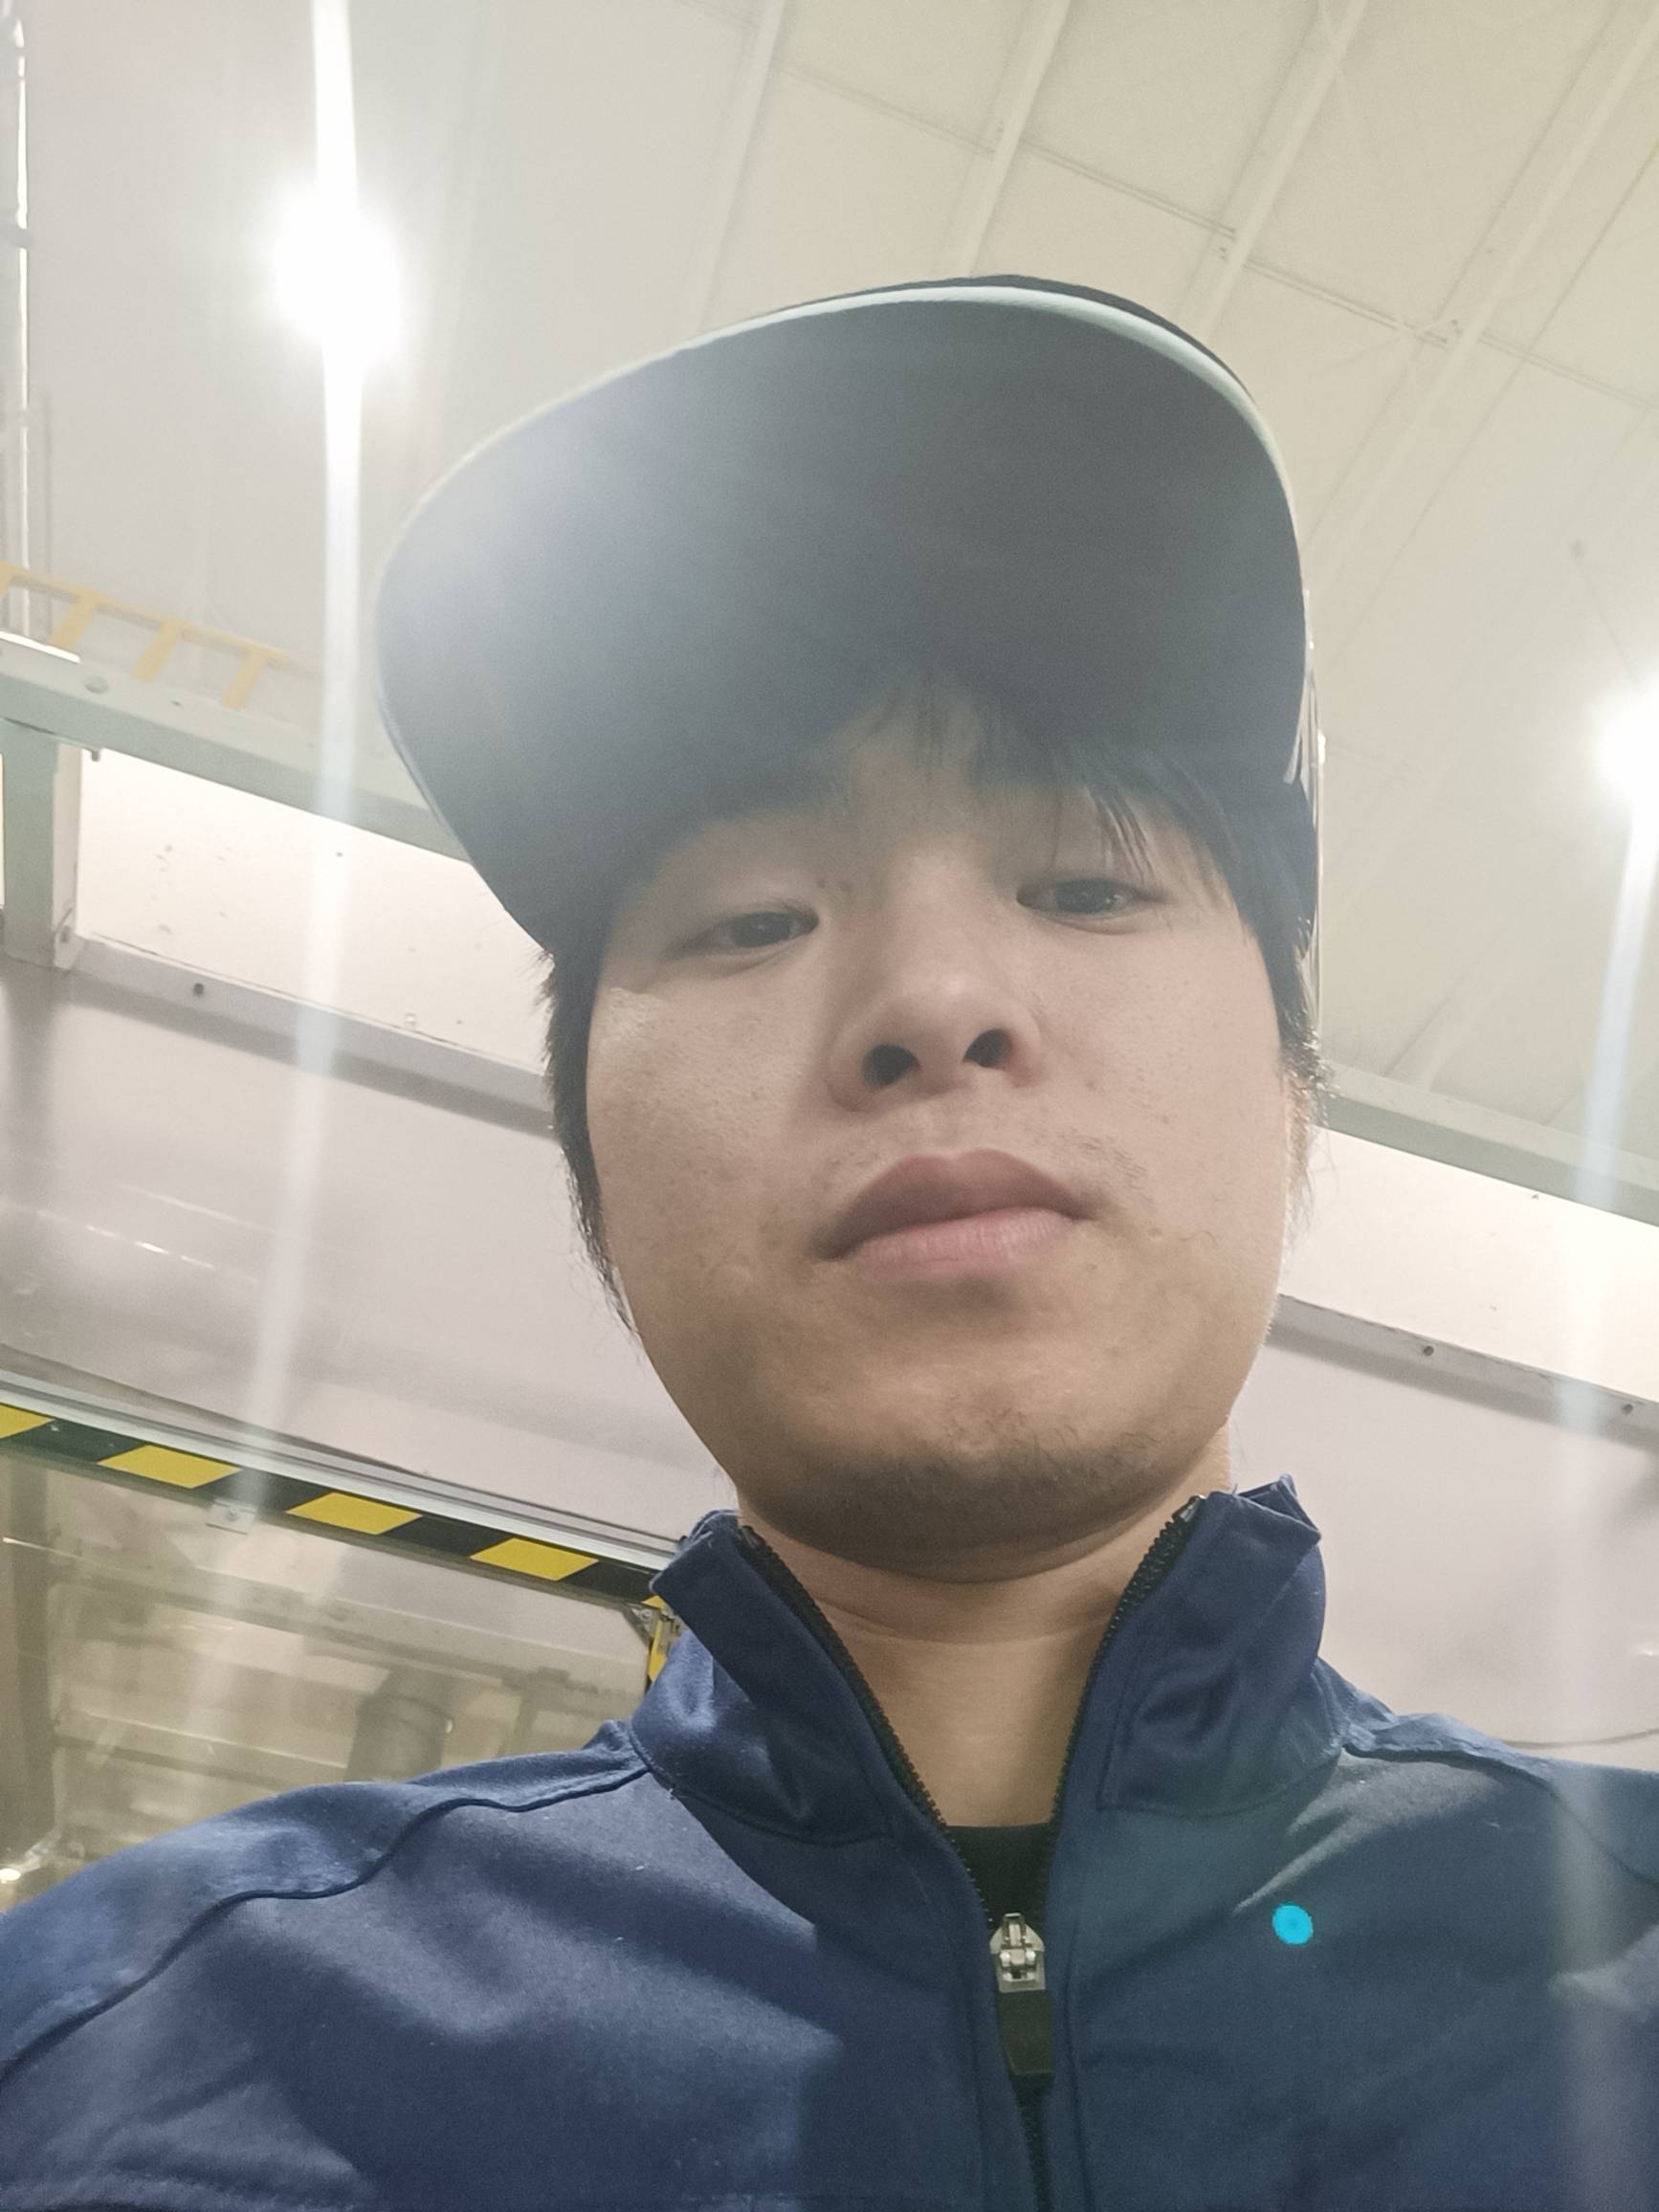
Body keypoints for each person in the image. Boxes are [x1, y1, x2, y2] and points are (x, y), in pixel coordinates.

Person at [1, 276, 1656, 2212]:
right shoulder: (135, 2067)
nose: (934, 998)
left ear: (1297, 1088)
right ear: (590, 1155)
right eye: (750, 919)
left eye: (1084, 884)